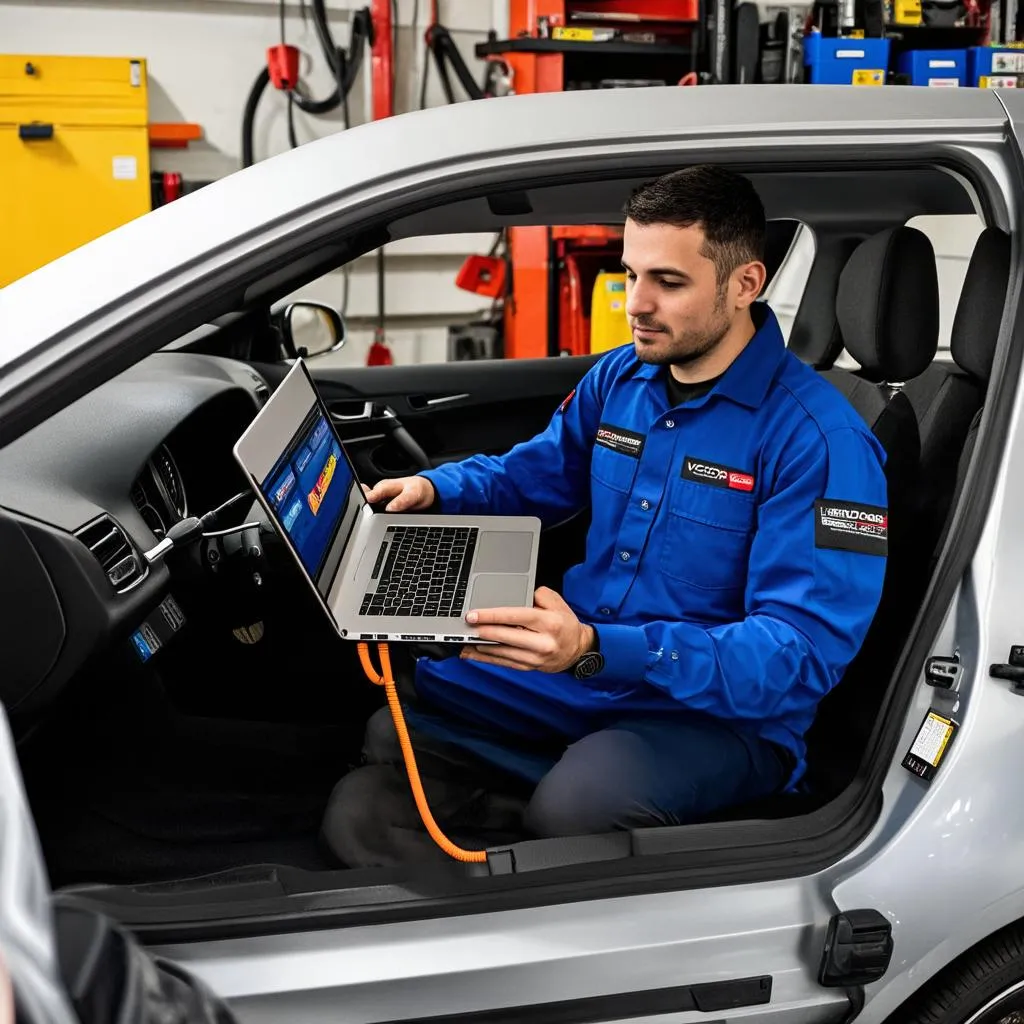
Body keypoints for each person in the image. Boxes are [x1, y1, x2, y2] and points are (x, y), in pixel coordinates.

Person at [321, 165, 888, 867]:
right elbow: (537, 474)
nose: (637, 304)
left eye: (669, 282)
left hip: (716, 715)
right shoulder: (621, 378)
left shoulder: (821, 442)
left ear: (745, 284)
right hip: (589, 668)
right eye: (631, 273)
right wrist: (436, 490)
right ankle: (542, 801)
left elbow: (796, 656)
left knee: (577, 809)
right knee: (394, 720)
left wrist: (594, 647)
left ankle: (556, 808)